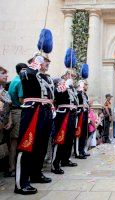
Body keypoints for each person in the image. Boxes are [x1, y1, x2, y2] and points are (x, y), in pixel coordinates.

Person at [15, 53, 54, 195]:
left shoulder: (47, 77)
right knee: (27, 146)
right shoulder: (27, 71)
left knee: (41, 145)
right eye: (45, 60)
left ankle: (36, 174)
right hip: (33, 110)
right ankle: (21, 183)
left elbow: (55, 93)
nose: (47, 63)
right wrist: (34, 65)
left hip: (46, 111)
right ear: (35, 61)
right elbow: (24, 75)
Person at [51, 71, 79, 174]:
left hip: (71, 114)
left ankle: (65, 159)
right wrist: (65, 85)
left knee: (69, 139)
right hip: (62, 114)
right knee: (60, 139)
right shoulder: (59, 86)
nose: (73, 78)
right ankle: (55, 164)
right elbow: (57, 95)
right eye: (72, 76)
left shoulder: (70, 88)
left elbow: (75, 101)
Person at [6, 63, 27, 177]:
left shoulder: (15, 79)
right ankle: (12, 167)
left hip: (13, 112)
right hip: (18, 111)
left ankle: (12, 166)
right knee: (15, 141)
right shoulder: (20, 81)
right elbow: (21, 100)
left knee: (13, 141)